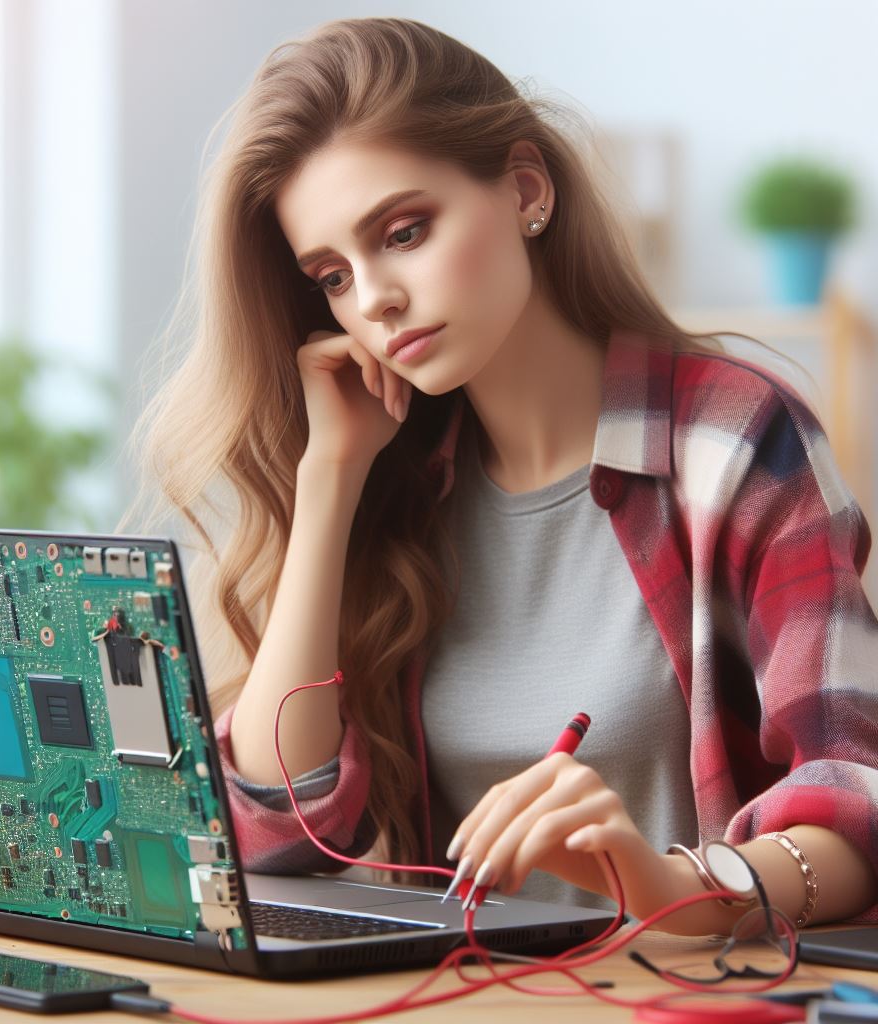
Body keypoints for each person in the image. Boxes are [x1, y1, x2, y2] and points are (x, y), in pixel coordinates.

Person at [120, 17, 878, 935]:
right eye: (331, 277)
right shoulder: (398, 488)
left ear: (525, 189)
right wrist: (329, 479)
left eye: (404, 231)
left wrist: (667, 887)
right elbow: (275, 832)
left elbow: (854, 801)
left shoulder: (734, 440)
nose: (374, 300)